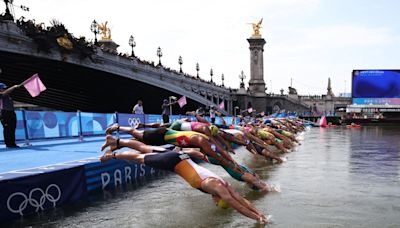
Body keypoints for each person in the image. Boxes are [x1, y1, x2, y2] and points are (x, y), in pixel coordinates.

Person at [99, 139, 269, 223]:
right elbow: (237, 205)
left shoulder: (224, 185)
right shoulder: (216, 186)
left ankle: (117, 142)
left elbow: (242, 200)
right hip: (173, 161)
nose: (215, 204)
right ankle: (112, 155)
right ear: (219, 198)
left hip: (180, 156)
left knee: (144, 149)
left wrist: (259, 213)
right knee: (140, 157)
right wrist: (258, 220)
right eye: (218, 203)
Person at [0, 83, 20, 148]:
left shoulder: (8, 96)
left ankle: (12, 143)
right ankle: (8, 144)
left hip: (11, 113)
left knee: (12, 128)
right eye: (3, 88)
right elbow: (5, 93)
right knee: (7, 129)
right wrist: (14, 86)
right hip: (5, 113)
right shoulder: (1, 94)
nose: (5, 89)